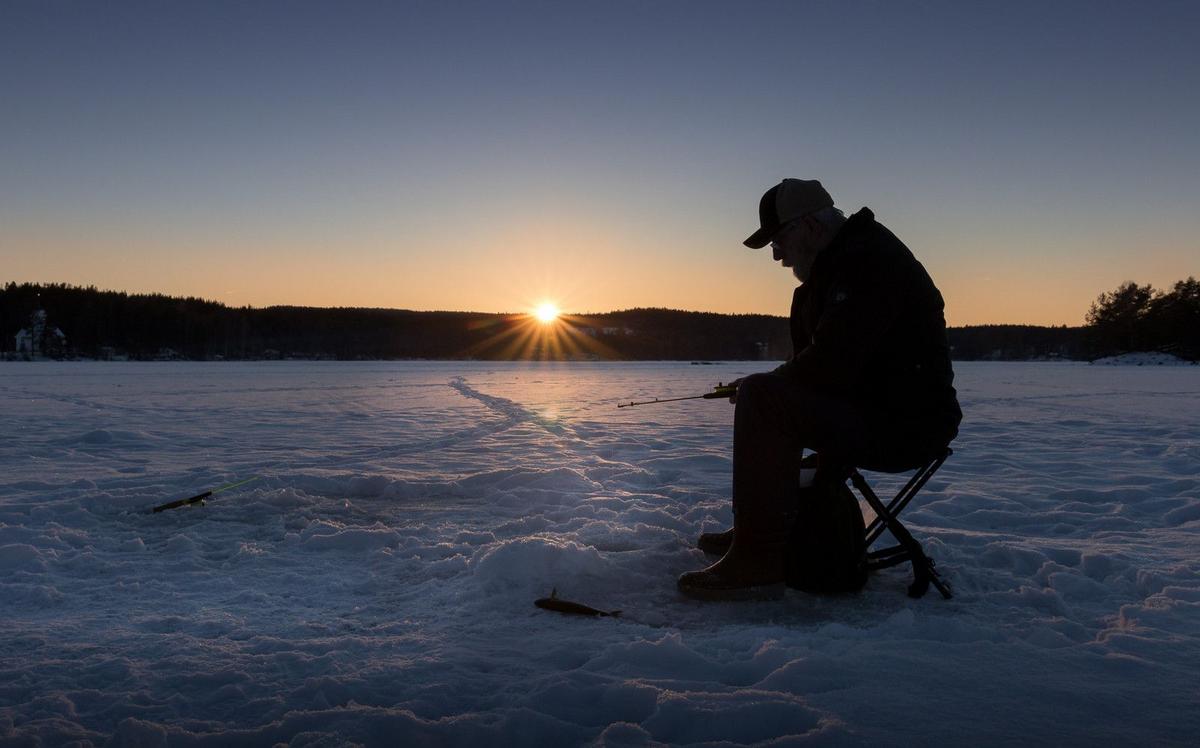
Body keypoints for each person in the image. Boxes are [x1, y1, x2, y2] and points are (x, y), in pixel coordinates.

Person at [678, 178, 962, 599]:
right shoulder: (835, 269)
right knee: (765, 395)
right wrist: (771, 385)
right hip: (877, 412)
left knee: (763, 398)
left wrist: (767, 387)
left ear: (810, 226)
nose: (776, 255)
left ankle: (759, 556)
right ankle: (760, 530)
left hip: (908, 425)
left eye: (778, 240)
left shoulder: (870, 263)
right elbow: (822, 367)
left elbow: (831, 363)